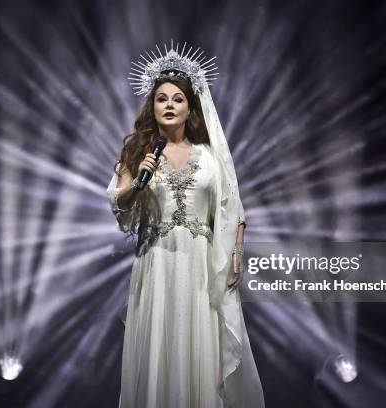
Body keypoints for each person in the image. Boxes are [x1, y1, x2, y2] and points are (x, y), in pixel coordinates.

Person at [106, 41, 265, 408]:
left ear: (190, 106)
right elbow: (121, 208)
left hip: (201, 266)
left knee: (200, 350)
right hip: (156, 262)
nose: (170, 105)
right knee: (159, 347)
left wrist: (237, 255)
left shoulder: (210, 156)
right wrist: (138, 181)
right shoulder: (137, 152)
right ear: (153, 105)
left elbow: (234, 209)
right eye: (162, 99)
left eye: (178, 99)